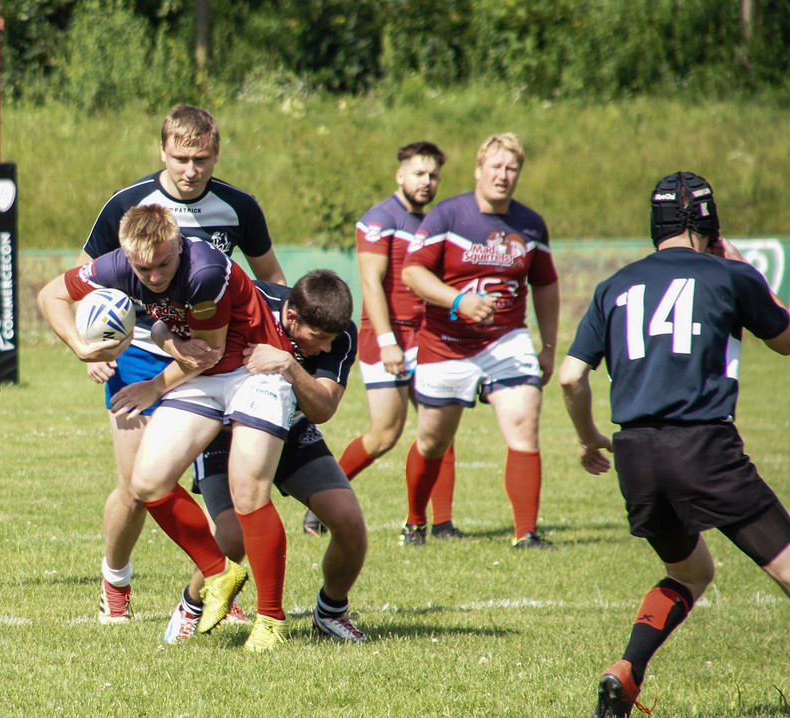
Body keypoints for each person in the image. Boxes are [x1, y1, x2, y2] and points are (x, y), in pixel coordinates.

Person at [559, 171, 790, 718]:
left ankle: (627, 671)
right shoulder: (730, 276)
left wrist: (589, 436)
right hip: (703, 448)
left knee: (692, 572)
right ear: (709, 224)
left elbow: (570, 376)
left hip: (636, 456)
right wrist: (746, 270)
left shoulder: (614, 285)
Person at [39, 205, 295, 652]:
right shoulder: (118, 263)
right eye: (143, 268)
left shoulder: (204, 273)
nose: (154, 275)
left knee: (249, 489)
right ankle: (219, 573)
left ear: (178, 245)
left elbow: (208, 354)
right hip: (203, 375)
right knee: (146, 480)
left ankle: (270, 620)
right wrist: (81, 347)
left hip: (252, 369)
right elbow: (50, 296)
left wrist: (153, 387)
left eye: (163, 264)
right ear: (126, 255)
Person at [77, 104, 286, 624]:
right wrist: (96, 348)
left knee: (231, 491)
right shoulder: (129, 204)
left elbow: (270, 277)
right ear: (161, 151)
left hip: (216, 360)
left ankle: (219, 589)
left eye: (202, 158)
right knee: (138, 488)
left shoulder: (239, 207)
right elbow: (87, 282)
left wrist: (278, 343)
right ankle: (115, 583)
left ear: (216, 153)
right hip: (140, 356)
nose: (191, 169)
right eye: (180, 158)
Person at [156, 270, 370, 644]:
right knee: (233, 535)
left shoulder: (341, 334)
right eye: (316, 338)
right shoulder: (245, 302)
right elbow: (166, 324)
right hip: (224, 431)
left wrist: (289, 363)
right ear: (291, 317)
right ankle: (192, 604)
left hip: (293, 428)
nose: (323, 348)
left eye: (329, 341)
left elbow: (323, 407)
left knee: (350, 523)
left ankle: (331, 612)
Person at [400, 133, 560, 549]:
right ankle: (415, 520)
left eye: (512, 169)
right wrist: (459, 300)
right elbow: (413, 274)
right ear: (478, 170)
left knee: (525, 425)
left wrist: (548, 348)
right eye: (496, 167)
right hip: (446, 340)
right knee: (433, 440)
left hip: (507, 340)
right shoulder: (447, 216)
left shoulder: (530, 224)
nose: (503, 176)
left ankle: (526, 533)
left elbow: (545, 285)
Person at [321, 141, 460, 542]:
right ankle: (319, 501)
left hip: (430, 334)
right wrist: (387, 340)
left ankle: (439, 523)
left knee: (439, 425)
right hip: (390, 333)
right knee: (385, 434)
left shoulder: (437, 220)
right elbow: (370, 282)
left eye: (433, 175)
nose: (427, 181)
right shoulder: (381, 218)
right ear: (401, 174)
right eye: (419, 173)